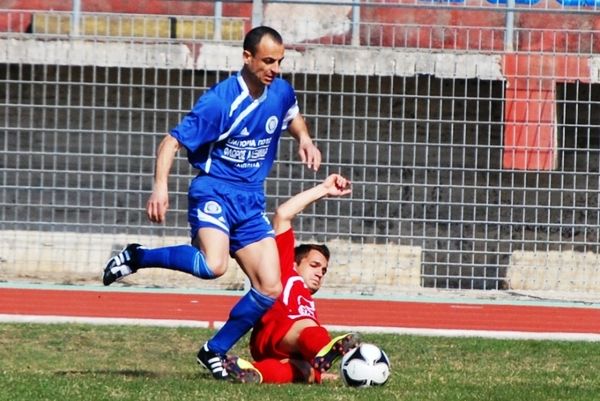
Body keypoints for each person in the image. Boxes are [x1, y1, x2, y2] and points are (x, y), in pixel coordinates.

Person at [102, 26, 321, 380]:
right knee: (213, 265)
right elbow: (171, 142)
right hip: (214, 191)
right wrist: (160, 188)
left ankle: (214, 350)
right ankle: (138, 256)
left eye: (280, 61)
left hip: (250, 202)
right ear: (246, 57)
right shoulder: (219, 102)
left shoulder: (279, 91)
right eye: (267, 61)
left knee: (270, 286)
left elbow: (292, 115)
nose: (275, 69)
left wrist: (305, 140)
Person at [222, 173, 360, 384]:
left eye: (323, 270)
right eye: (314, 265)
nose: (319, 273)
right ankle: (322, 348)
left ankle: (254, 371)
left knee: (304, 371)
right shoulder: (285, 269)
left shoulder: (307, 301)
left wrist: (326, 377)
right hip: (279, 327)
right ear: (296, 264)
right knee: (311, 331)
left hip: (276, 346)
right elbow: (283, 214)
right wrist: (323, 189)